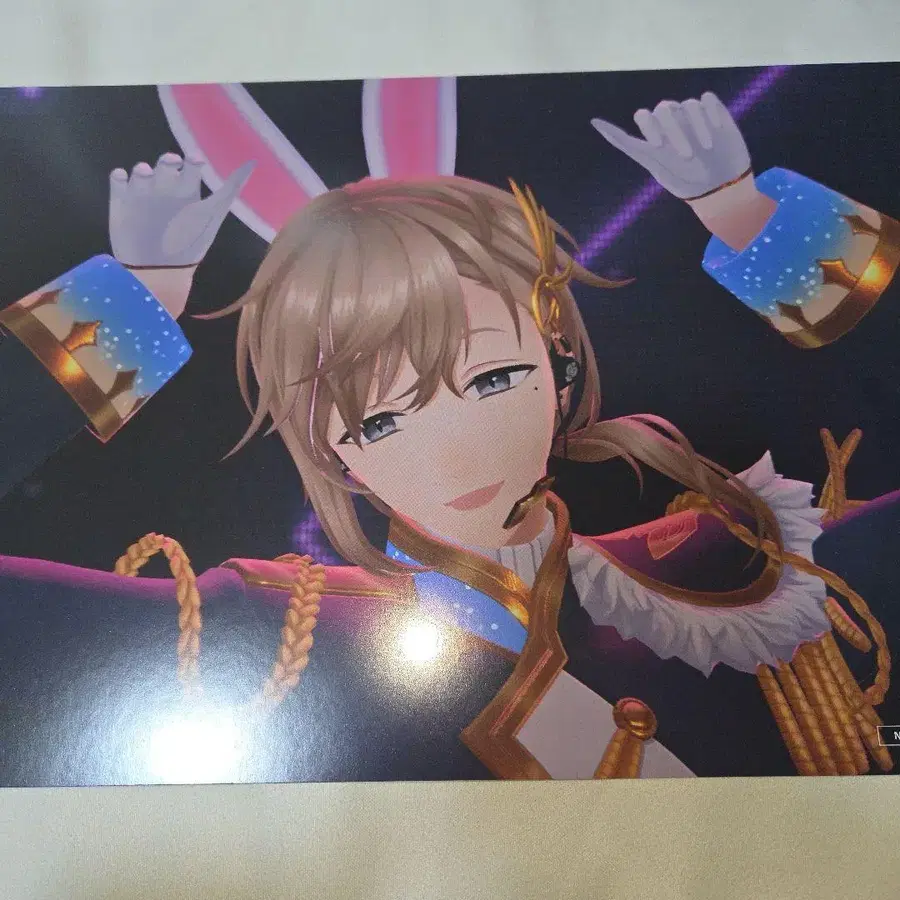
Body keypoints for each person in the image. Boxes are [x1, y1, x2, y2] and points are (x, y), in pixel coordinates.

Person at [0, 93, 896, 786]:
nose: (456, 450)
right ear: (331, 448)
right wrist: (133, 303)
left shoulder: (736, 573)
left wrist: (754, 221)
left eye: (493, 379)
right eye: (380, 419)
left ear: (560, 367)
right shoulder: (277, 638)